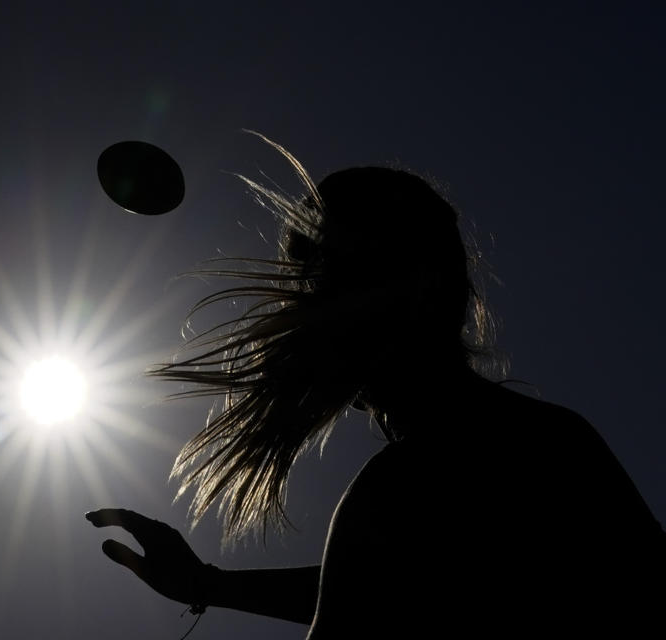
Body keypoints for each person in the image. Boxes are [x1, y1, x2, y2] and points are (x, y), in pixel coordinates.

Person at [86, 136, 665, 635]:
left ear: (420, 288)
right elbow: (414, 586)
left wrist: (207, 585)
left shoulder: (411, 483)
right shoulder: (549, 441)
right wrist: (207, 584)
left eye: (326, 277)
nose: (304, 306)